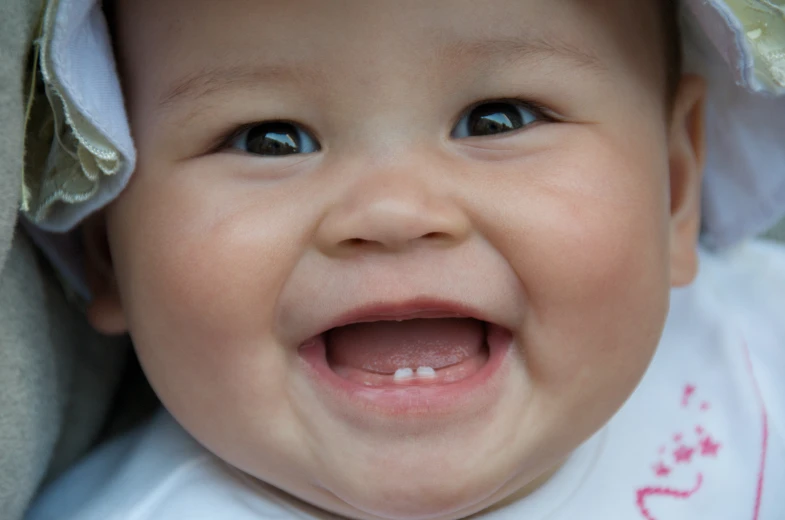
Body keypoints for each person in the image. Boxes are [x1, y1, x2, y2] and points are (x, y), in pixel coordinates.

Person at [23, 0, 785, 518]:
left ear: (674, 185)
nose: (392, 213)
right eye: (268, 137)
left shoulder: (763, 350)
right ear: (108, 250)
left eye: (495, 120)